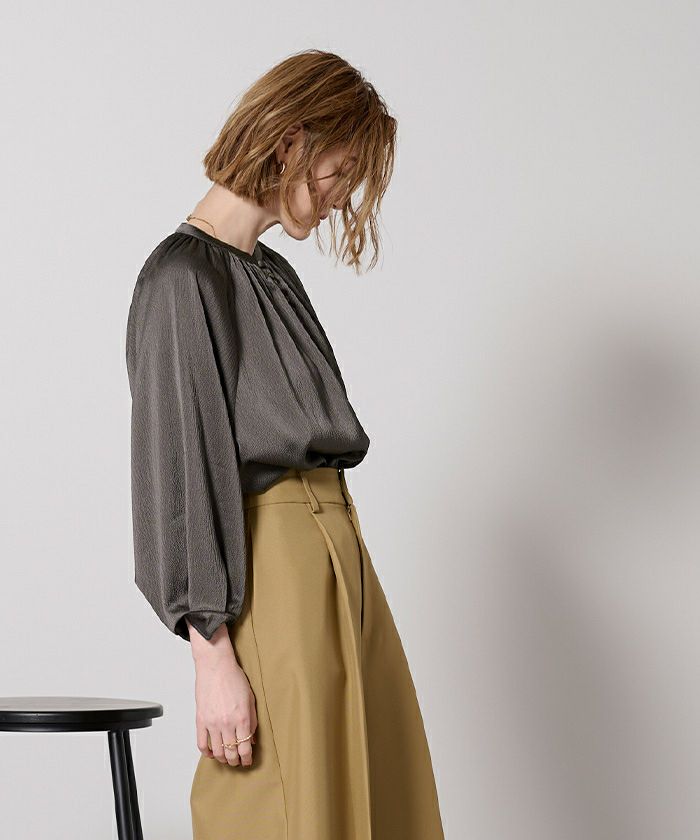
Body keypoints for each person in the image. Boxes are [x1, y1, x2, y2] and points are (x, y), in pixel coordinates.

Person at [126, 48, 445, 839]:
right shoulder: (182, 280)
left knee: (370, 807)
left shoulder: (271, 274)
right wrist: (212, 658)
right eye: (341, 171)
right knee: (282, 809)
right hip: (273, 576)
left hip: (342, 567)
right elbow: (179, 475)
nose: (340, 199)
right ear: (292, 141)